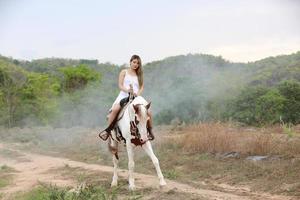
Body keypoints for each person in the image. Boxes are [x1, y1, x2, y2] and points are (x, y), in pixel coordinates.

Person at [102, 55, 154, 140]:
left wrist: (137, 94)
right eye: (134, 62)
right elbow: (120, 85)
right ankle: (108, 131)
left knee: (148, 111)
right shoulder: (124, 72)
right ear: (130, 62)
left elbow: (141, 87)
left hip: (136, 97)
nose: (135, 64)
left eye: (138, 63)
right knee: (115, 110)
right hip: (124, 95)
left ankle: (150, 131)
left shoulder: (139, 74)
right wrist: (128, 90)